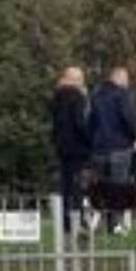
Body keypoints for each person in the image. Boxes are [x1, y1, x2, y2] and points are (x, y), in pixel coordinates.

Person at [87, 65, 136, 233]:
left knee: (101, 186)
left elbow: (90, 122)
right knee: (119, 186)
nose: (128, 83)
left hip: (99, 149)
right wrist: (134, 138)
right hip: (120, 147)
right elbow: (128, 119)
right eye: (127, 79)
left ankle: (96, 223)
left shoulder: (96, 95)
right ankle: (115, 224)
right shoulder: (123, 95)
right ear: (119, 78)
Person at [48, 67, 90, 233]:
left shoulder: (57, 96)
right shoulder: (77, 96)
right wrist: (89, 139)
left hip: (62, 147)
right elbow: (80, 123)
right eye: (81, 78)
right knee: (78, 186)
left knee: (65, 185)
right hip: (78, 147)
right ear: (76, 79)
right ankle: (77, 219)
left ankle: (65, 221)